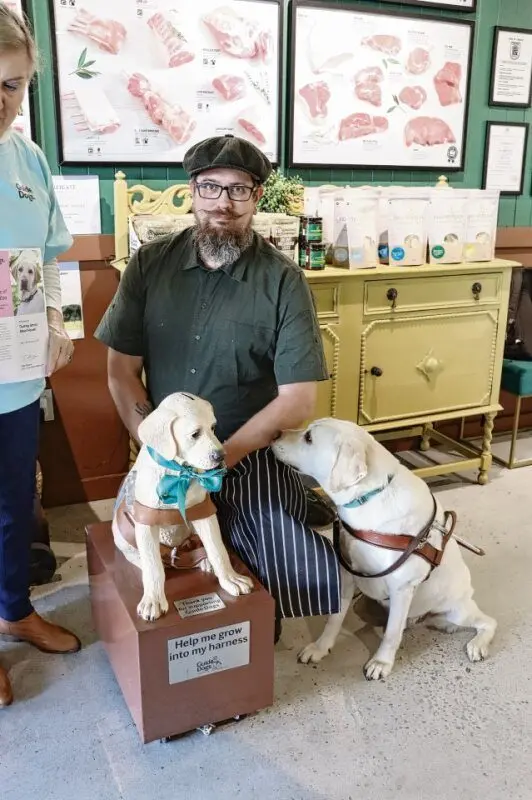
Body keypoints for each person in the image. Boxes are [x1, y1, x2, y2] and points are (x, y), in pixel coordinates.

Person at [95, 133, 341, 640]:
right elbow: (120, 371)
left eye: (239, 190)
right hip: (165, 450)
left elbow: (297, 400)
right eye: (211, 187)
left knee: (276, 535)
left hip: (246, 447)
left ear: (256, 197)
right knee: (132, 532)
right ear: (191, 190)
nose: (223, 204)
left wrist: (217, 458)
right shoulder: (147, 266)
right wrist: (159, 450)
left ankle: (255, 618)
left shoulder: (283, 280)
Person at [0, 3, 80, 708]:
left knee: (11, 505)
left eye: (13, 84)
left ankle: (13, 610)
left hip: (16, 377)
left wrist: (58, 318)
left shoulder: (27, 159)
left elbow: (50, 259)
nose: (2, 101)